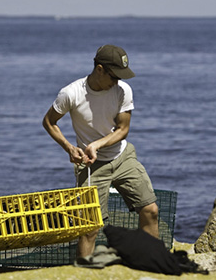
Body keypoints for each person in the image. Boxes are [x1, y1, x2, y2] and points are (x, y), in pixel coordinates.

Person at [42, 44, 158, 258]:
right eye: (114, 76)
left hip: (122, 157)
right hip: (90, 167)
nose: (117, 82)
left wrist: (96, 144)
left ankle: (154, 263)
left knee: (150, 210)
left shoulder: (123, 90)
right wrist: (69, 147)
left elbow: (123, 129)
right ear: (100, 69)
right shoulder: (71, 93)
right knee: (90, 228)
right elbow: (49, 122)